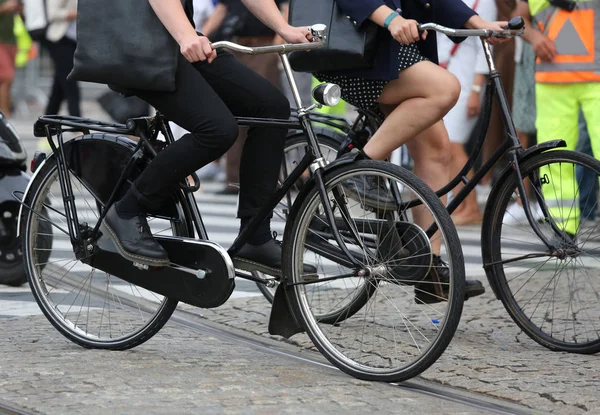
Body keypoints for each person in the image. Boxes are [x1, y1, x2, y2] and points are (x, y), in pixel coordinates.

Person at [100, 0, 314, 277]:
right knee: (217, 130)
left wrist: (283, 28)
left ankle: (255, 237)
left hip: (180, 39)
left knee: (272, 108)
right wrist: (185, 35)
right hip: (138, 45)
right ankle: (127, 210)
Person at [314, 0, 507, 302]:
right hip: (357, 47)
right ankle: (358, 166)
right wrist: (390, 18)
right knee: (445, 88)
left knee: (437, 150)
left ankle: (428, 267)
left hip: (396, 49)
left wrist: (477, 22)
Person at [515, 0, 600, 236]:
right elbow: (519, 18)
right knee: (553, 159)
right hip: (553, 80)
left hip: (596, 79)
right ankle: (563, 229)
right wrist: (534, 38)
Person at [437, 0, 498, 226]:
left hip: (468, 82)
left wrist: (476, 88)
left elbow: (485, 46)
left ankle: (470, 206)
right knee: (445, 144)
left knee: (453, 144)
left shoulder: (484, 2)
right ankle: (461, 205)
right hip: (447, 77)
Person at [42, 0, 80, 116]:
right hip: (60, 39)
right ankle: (77, 123)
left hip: (73, 41)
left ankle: (45, 124)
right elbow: (51, 13)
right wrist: (75, 14)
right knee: (70, 81)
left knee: (59, 85)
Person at [0, 0, 19, 117]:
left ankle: (4, 113)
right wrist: (3, 8)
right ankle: (5, 114)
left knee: (6, 80)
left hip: (11, 41)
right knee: (7, 77)